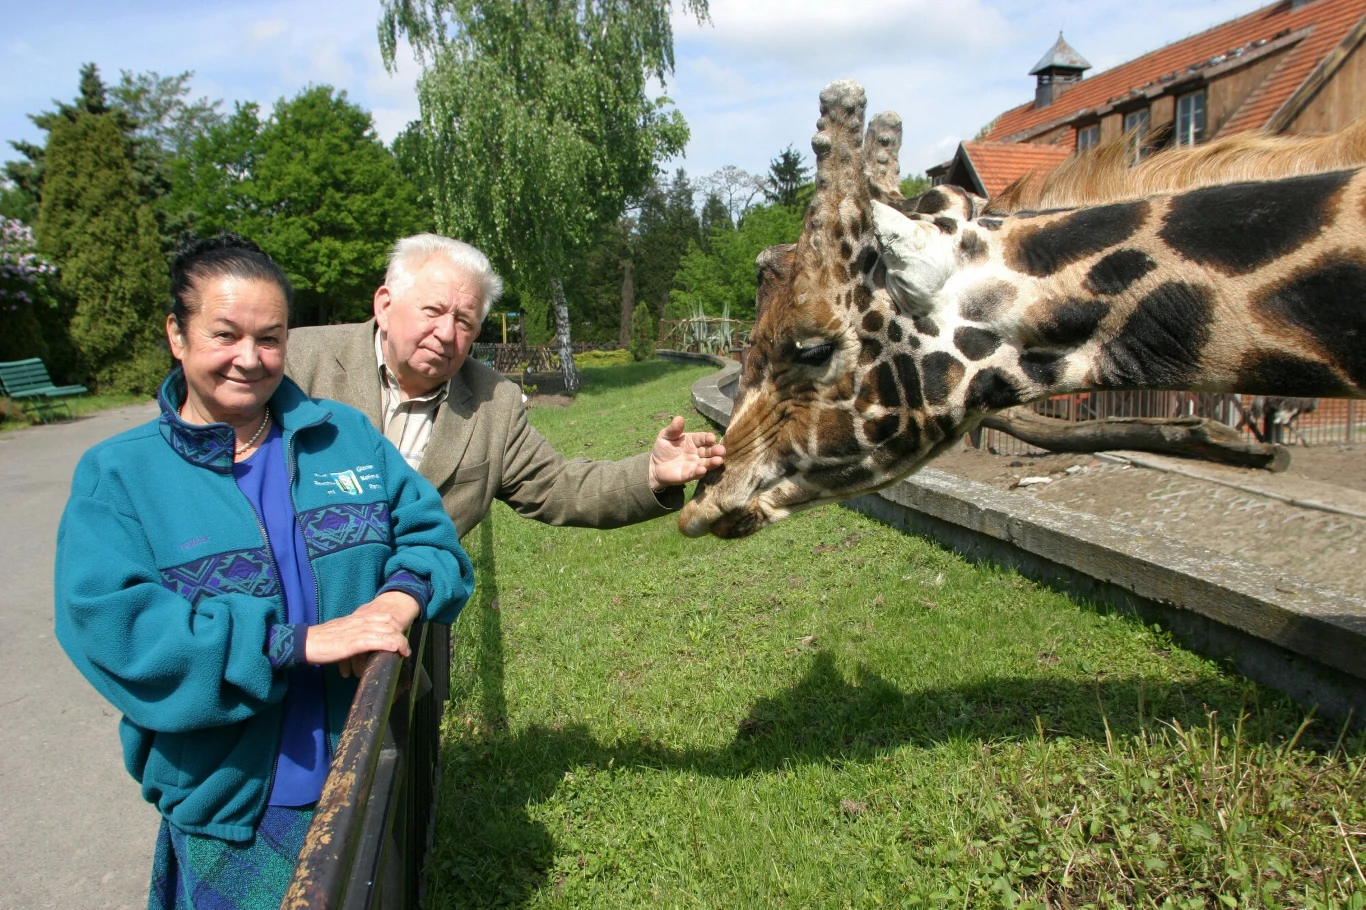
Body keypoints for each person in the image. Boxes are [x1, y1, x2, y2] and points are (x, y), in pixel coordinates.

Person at [54, 233, 475, 909]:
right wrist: (298, 642)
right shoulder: (120, 475)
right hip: (232, 809)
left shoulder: (345, 435)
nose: (250, 359)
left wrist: (396, 603)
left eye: (271, 338)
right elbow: (119, 632)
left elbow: (431, 539)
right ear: (177, 334)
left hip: (360, 764)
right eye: (226, 334)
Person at [286, 233, 725, 537]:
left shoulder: (492, 401)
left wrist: (651, 472)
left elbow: (558, 487)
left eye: (463, 321)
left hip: (406, 633)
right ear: (385, 304)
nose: (445, 333)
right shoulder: (295, 362)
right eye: (432, 310)